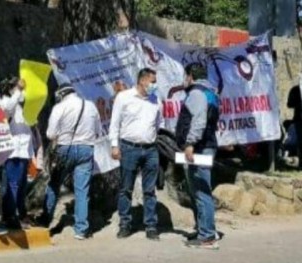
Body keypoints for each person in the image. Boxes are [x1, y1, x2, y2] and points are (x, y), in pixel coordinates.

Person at [40, 84, 102, 240]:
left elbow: (50, 134)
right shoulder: (90, 106)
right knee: (82, 191)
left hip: (64, 150)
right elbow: (98, 131)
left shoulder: (59, 107)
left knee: (54, 185)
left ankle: (45, 220)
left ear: (61, 95)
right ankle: (81, 230)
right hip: (86, 149)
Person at [109, 67, 163, 240]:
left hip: (150, 149)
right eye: (152, 82)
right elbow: (114, 123)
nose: (155, 85)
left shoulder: (156, 100)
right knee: (126, 188)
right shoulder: (123, 97)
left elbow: (158, 124)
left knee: (150, 190)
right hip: (129, 148)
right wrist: (114, 146)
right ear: (142, 81)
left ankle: (151, 225)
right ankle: (125, 224)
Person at [175, 62, 221, 250]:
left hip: (199, 148)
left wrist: (190, 144)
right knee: (199, 191)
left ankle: (207, 236)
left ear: (190, 76)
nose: (184, 80)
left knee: (201, 192)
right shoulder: (211, 92)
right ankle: (204, 229)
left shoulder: (196, 93)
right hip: (206, 145)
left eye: (185, 76)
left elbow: (199, 121)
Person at [0, 76, 35, 229]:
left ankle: (19, 214)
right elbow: (6, 111)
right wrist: (18, 91)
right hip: (13, 151)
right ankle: (10, 217)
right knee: (13, 185)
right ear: (11, 89)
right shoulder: (5, 102)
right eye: (19, 87)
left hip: (23, 151)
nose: (22, 91)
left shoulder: (21, 106)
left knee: (20, 186)